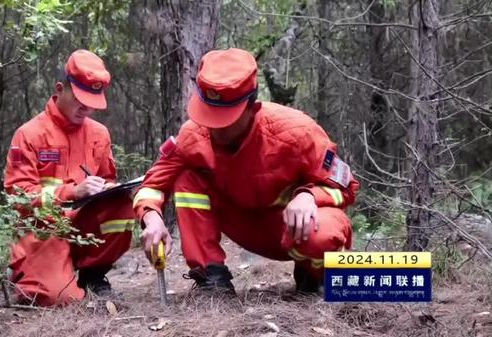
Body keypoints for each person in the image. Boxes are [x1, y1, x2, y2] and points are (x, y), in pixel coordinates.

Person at [133, 48, 359, 294]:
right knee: (188, 177)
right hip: (242, 225)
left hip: (291, 228)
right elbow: (153, 184)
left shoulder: (298, 133)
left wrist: (309, 196)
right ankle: (211, 277)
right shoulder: (193, 135)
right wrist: (151, 217)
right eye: (208, 116)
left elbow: (346, 188)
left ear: (253, 108)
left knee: (322, 235)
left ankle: (317, 276)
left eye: (225, 120)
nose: (214, 129)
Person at [4, 49, 135, 306]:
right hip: (44, 231)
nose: (86, 108)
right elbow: (18, 197)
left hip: (83, 227)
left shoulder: (99, 134)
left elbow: (107, 178)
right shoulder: (29, 134)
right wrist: (71, 193)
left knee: (121, 204)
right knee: (58, 299)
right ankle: (31, 272)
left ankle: (93, 275)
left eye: (92, 101)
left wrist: (110, 188)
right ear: (60, 88)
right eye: (79, 98)